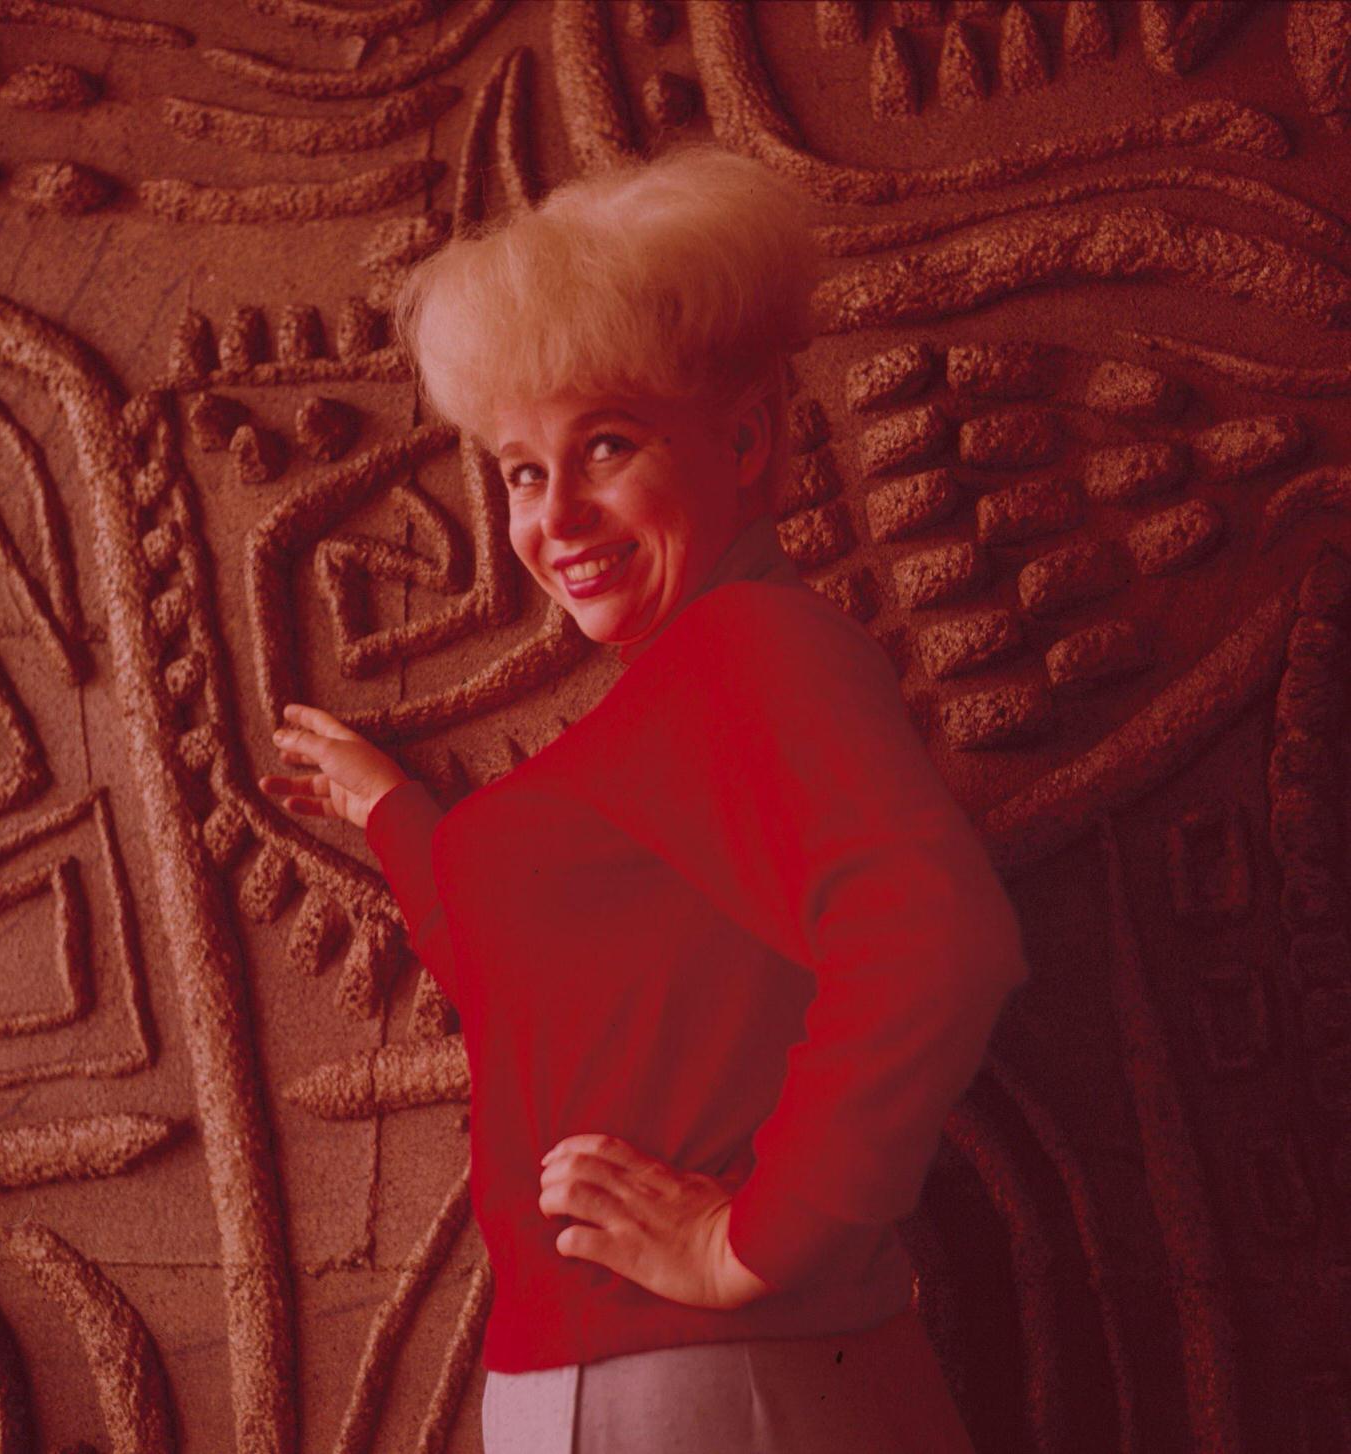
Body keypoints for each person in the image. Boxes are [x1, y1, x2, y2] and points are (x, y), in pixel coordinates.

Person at [258, 143, 1030, 1453]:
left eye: (604, 444)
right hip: (683, 1381)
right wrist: (396, 813)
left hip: (704, 1381)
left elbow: (935, 939)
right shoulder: (688, 691)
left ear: (743, 439)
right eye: (518, 468)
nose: (556, 514)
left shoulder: (750, 651)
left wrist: (752, 1239)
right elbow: (532, 981)